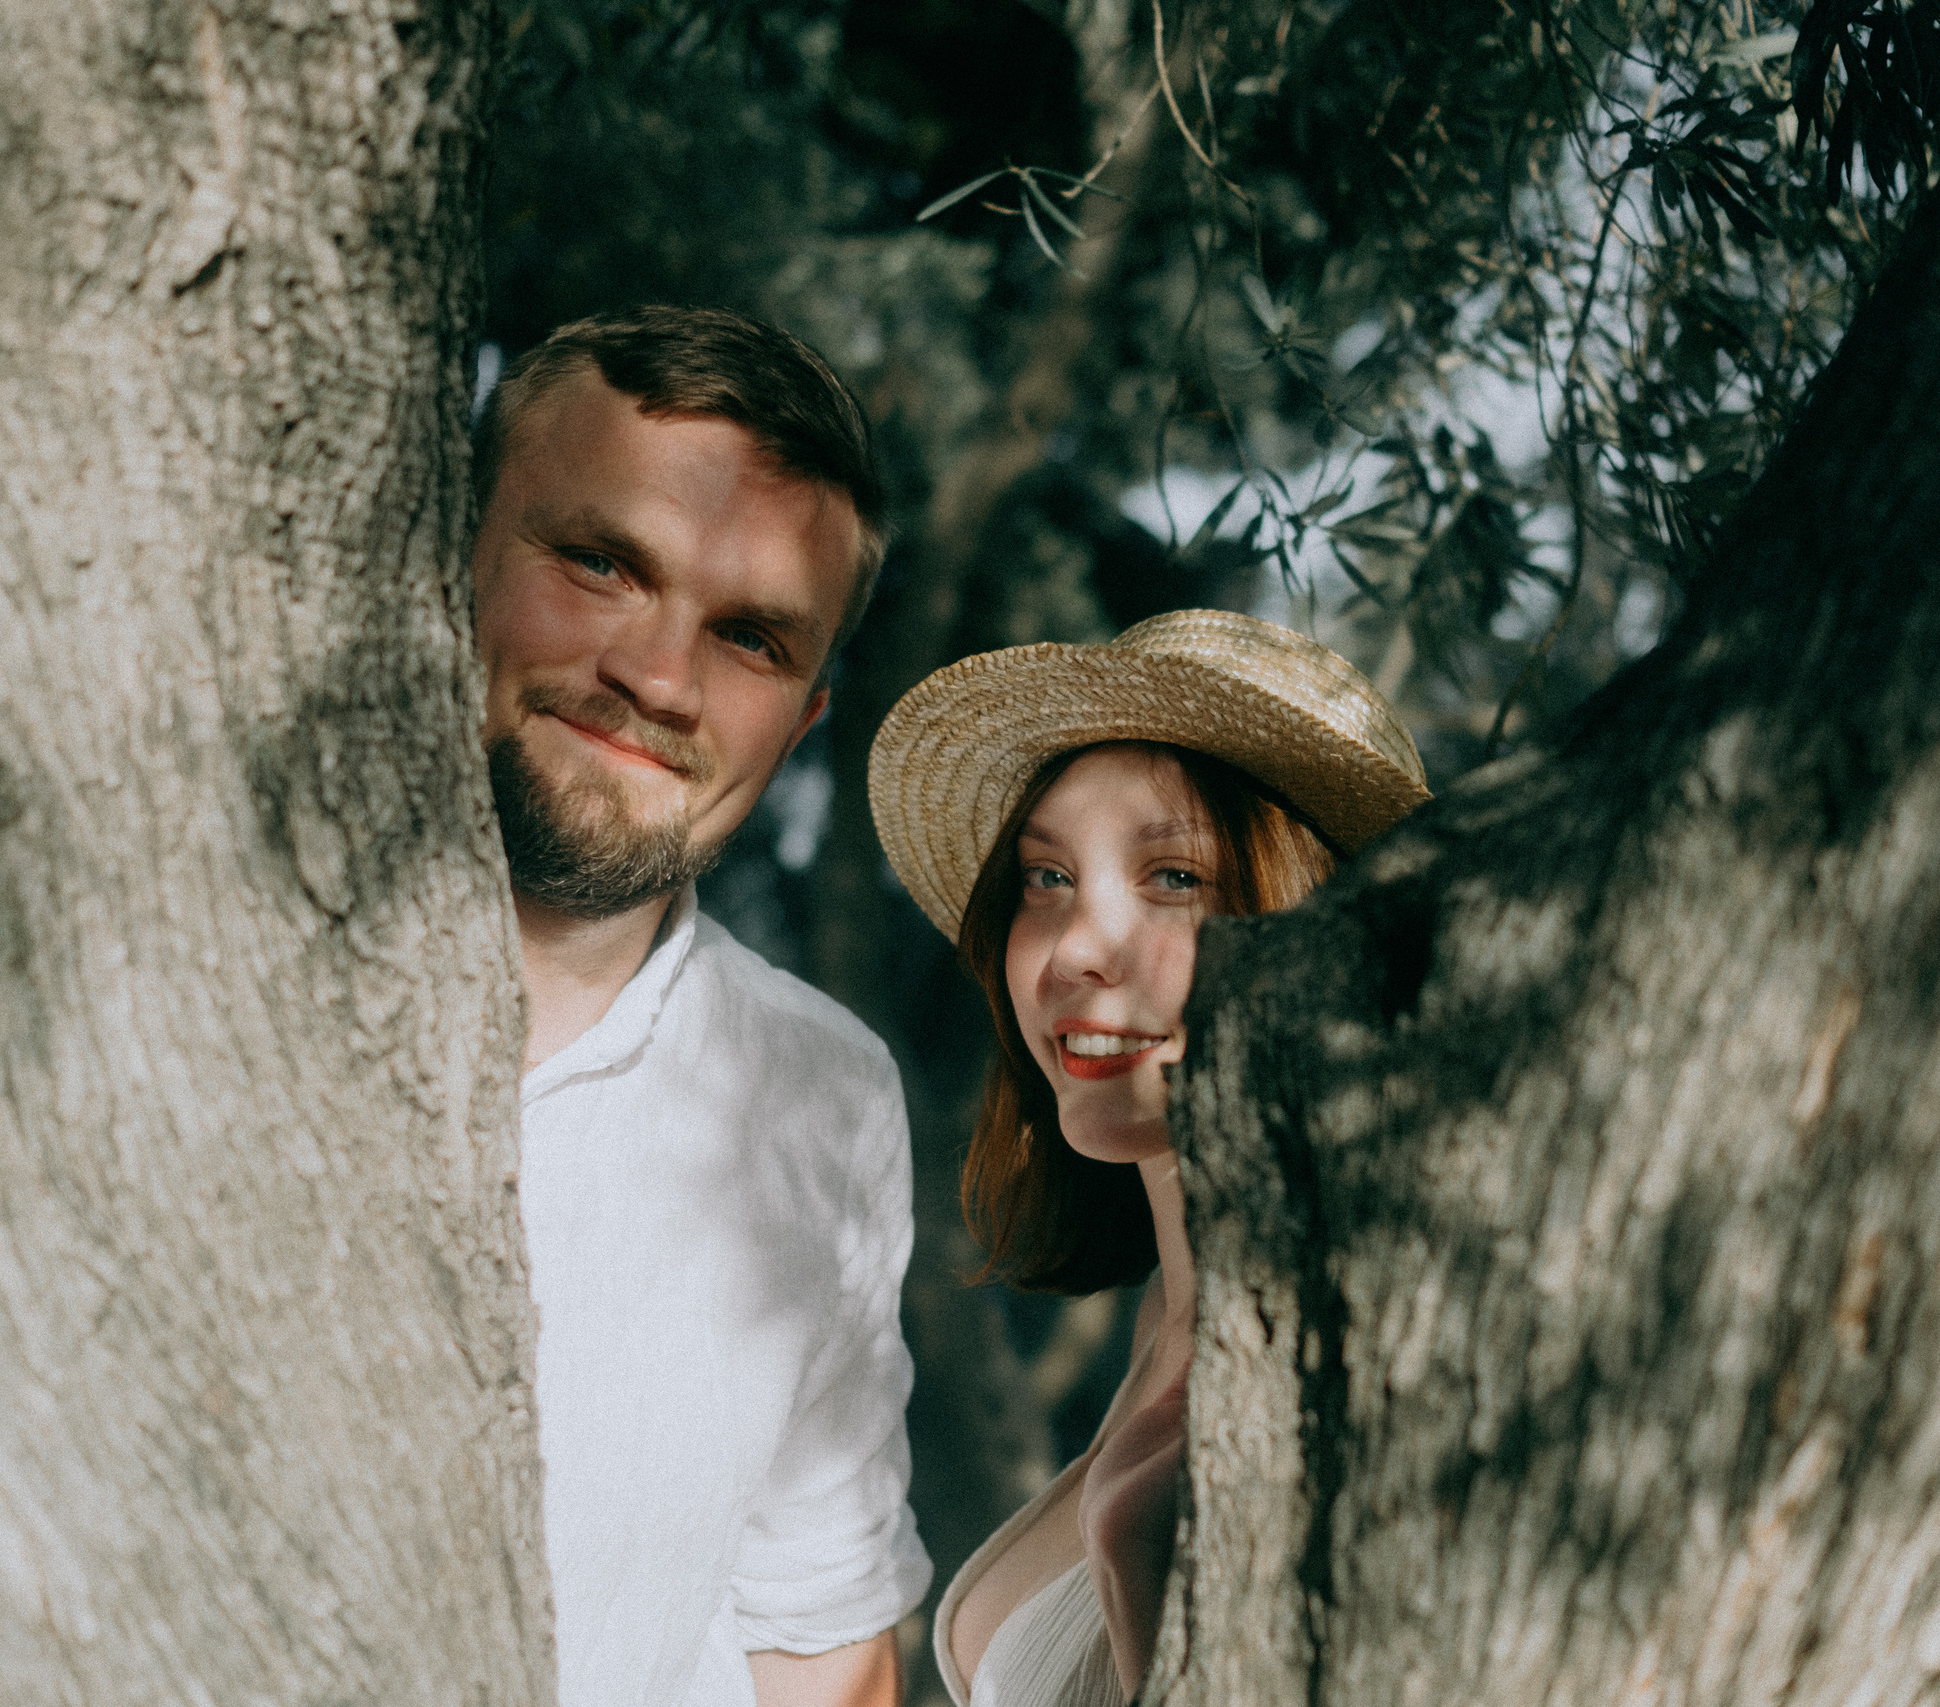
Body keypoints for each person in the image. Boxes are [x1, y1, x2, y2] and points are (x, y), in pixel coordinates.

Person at [473, 306, 929, 1707]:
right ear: (447, 554)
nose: (657, 679)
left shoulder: (826, 1101)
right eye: (603, 563)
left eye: (749, 637)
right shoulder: (150, 963)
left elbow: (823, 1637)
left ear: (800, 724)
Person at [866, 610, 1429, 1706]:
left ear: (1318, 925)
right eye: (1043, 880)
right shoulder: (1162, 1322)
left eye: (1174, 877)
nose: (1075, 947)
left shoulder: (1357, 1344)